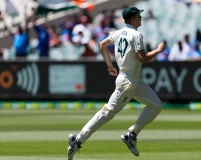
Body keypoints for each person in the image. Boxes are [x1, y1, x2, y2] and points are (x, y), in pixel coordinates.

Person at [67, 6, 166, 159]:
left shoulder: (118, 33)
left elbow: (102, 45)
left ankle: (132, 135)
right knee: (107, 113)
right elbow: (143, 58)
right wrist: (158, 51)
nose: (140, 18)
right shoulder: (136, 34)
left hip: (132, 80)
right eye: (138, 16)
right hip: (128, 82)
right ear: (132, 18)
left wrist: (109, 65)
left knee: (156, 104)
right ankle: (78, 140)